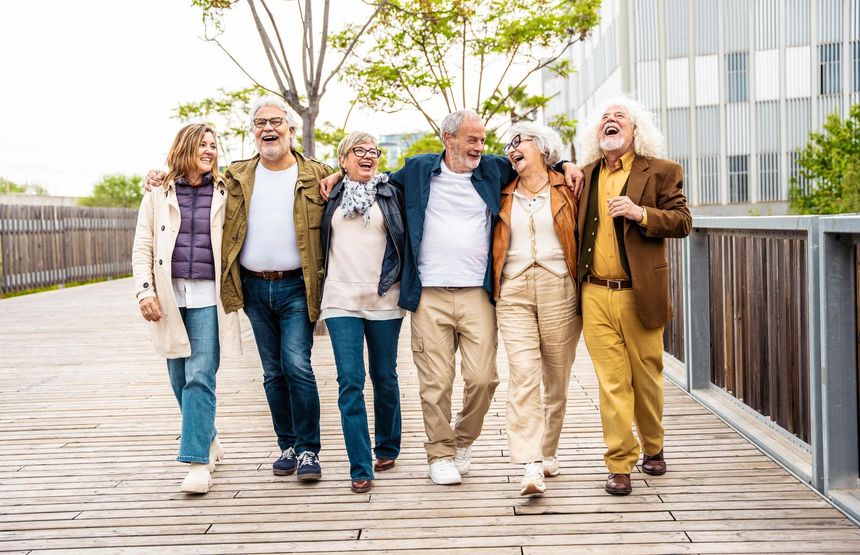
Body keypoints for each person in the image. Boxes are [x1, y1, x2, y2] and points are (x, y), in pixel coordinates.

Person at [321, 110, 583, 486]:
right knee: (435, 382)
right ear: (448, 138)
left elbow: (539, 162)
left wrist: (567, 162)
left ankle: (462, 440)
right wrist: (337, 173)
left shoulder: (494, 170)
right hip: (428, 294)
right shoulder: (417, 170)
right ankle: (439, 452)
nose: (480, 146)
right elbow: (373, 179)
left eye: (482, 139)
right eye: (471, 139)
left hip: (478, 293)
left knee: (483, 378)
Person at [146, 96, 332, 481]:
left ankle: (309, 451)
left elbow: (350, 175)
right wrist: (155, 175)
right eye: (261, 123)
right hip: (252, 288)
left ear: (291, 129)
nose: (269, 129)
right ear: (253, 132)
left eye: (277, 122)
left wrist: (343, 176)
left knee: (296, 365)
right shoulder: (234, 177)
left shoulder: (316, 173)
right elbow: (187, 181)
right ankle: (287, 445)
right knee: (271, 372)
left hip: (297, 285)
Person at [574, 97, 692, 496]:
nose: (610, 121)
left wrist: (641, 213)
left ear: (635, 130)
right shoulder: (586, 175)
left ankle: (654, 447)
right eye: (604, 118)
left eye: (619, 117)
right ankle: (619, 463)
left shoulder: (662, 171)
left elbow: (683, 222)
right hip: (594, 292)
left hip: (640, 292)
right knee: (612, 383)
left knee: (647, 380)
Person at [132, 124, 241, 494]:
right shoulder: (158, 194)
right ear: (184, 148)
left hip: (210, 298)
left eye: (213, 146)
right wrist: (144, 291)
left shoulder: (228, 191)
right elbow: (142, 245)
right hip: (168, 298)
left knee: (200, 377)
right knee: (179, 380)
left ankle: (196, 462)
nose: (209, 151)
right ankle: (209, 437)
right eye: (202, 145)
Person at [492, 122, 582, 496]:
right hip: (513, 289)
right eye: (508, 145)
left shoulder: (570, 186)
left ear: (541, 148)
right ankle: (530, 464)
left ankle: (548, 450)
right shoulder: (500, 189)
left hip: (559, 285)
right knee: (524, 374)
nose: (512, 149)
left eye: (519, 141)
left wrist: (567, 165)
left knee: (556, 379)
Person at [319, 131, 405, 494]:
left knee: (384, 375)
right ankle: (360, 465)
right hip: (340, 299)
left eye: (374, 151)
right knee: (350, 380)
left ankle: (386, 446)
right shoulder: (327, 193)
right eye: (359, 151)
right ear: (343, 159)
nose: (368, 156)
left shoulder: (391, 190)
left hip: (384, 296)